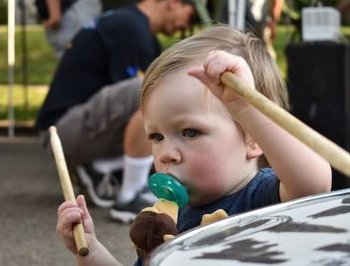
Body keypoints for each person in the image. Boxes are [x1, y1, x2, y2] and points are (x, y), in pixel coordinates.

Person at [56, 25, 332, 266]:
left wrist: (247, 108)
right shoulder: (164, 223)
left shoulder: (262, 198)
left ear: (252, 138)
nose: (166, 154)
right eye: (157, 137)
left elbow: (314, 184)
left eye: (189, 132)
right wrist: (89, 251)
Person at [36, 0, 207, 222]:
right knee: (152, 90)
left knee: (156, 92)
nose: (187, 26)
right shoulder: (130, 28)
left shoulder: (133, 24)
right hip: (63, 133)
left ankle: (101, 167)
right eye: (191, 16)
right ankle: (131, 195)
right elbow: (146, 105)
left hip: (70, 130)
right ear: (173, 2)